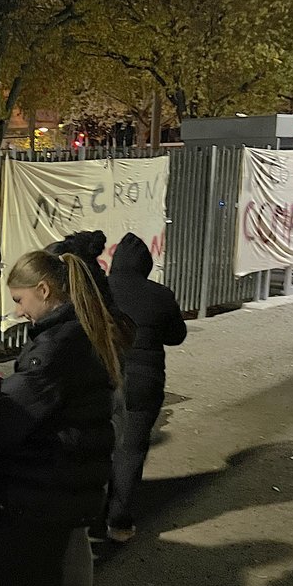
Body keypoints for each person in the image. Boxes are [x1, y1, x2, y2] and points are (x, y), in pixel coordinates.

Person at [0, 249, 123, 586]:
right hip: (67, 490)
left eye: (20, 300)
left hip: (40, 495)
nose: (19, 311)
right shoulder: (82, 331)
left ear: (43, 289)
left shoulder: (54, 348)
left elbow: (7, 422)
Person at [104, 233, 187, 543]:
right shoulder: (160, 294)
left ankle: (90, 516)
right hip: (144, 382)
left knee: (98, 445)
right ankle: (119, 522)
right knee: (130, 450)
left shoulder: (100, 291)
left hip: (103, 378)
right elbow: (176, 335)